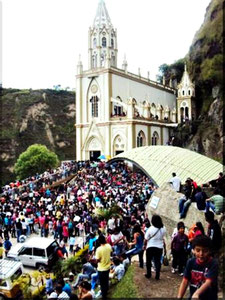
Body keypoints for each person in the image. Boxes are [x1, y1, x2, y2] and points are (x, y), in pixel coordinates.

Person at [177, 235, 218, 300]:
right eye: (198, 250)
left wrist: (197, 293)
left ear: (209, 251)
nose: (201, 254)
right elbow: (185, 281)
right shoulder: (190, 262)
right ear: (193, 250)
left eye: (205, 251)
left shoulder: (213, 263)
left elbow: (208, 282)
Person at [144, 214, 166, 280]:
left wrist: (144, 245)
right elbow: (163, 236)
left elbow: (146, 238)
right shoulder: (163, 228)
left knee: (148, 261)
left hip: (150, 246)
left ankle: (149, 274)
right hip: (159, 247)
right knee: (157, 261)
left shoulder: (150, 229)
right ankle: (157, 275)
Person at [95, 234, 112, 300]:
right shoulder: (108, 246)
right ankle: (106, 292)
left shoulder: (98, 249)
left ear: (99, 242)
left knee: (102, 283)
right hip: (107, 267)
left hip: (101, 268)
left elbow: (97, 260)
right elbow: (110, 252)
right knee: (106, 280)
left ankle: (104, 296)